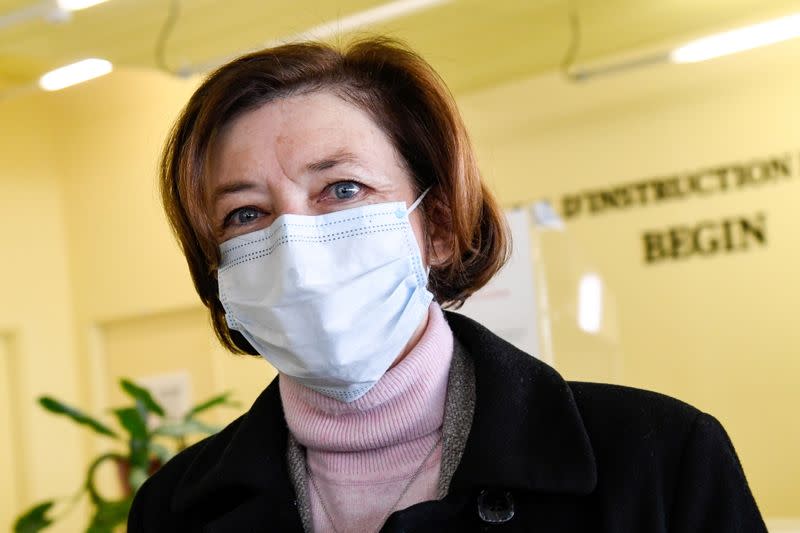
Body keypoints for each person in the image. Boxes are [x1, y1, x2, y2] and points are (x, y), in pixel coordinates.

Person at [127, 37, 766, 532]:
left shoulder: (659, 461)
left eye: (342, 189)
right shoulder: (173, 509)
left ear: (434, 226)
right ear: (218, 268)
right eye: (245, 214)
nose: (294, 244)